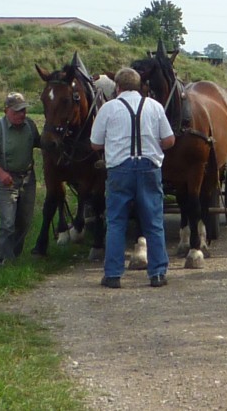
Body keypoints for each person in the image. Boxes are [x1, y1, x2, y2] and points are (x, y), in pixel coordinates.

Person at [90, 67, 175, 289]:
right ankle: (157, 274)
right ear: (139, 86)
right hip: (149, 168)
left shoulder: (108, 108)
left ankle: (113, 275)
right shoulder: (154, 106)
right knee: (154, 222)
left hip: (119, 170)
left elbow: (95, 144)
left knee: (116, 222)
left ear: (117, 87)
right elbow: (169, 140)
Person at [0, 92, 41, 266]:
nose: (21, 115)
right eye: (16, 111)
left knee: (24, 220)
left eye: (23, 111)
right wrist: (1, 173)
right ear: (6, 110)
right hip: (7, 181)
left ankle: (15, 255)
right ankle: (3, 259)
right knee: (8, 222)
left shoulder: (30, 125)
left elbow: (41, 143)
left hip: (28, 179)